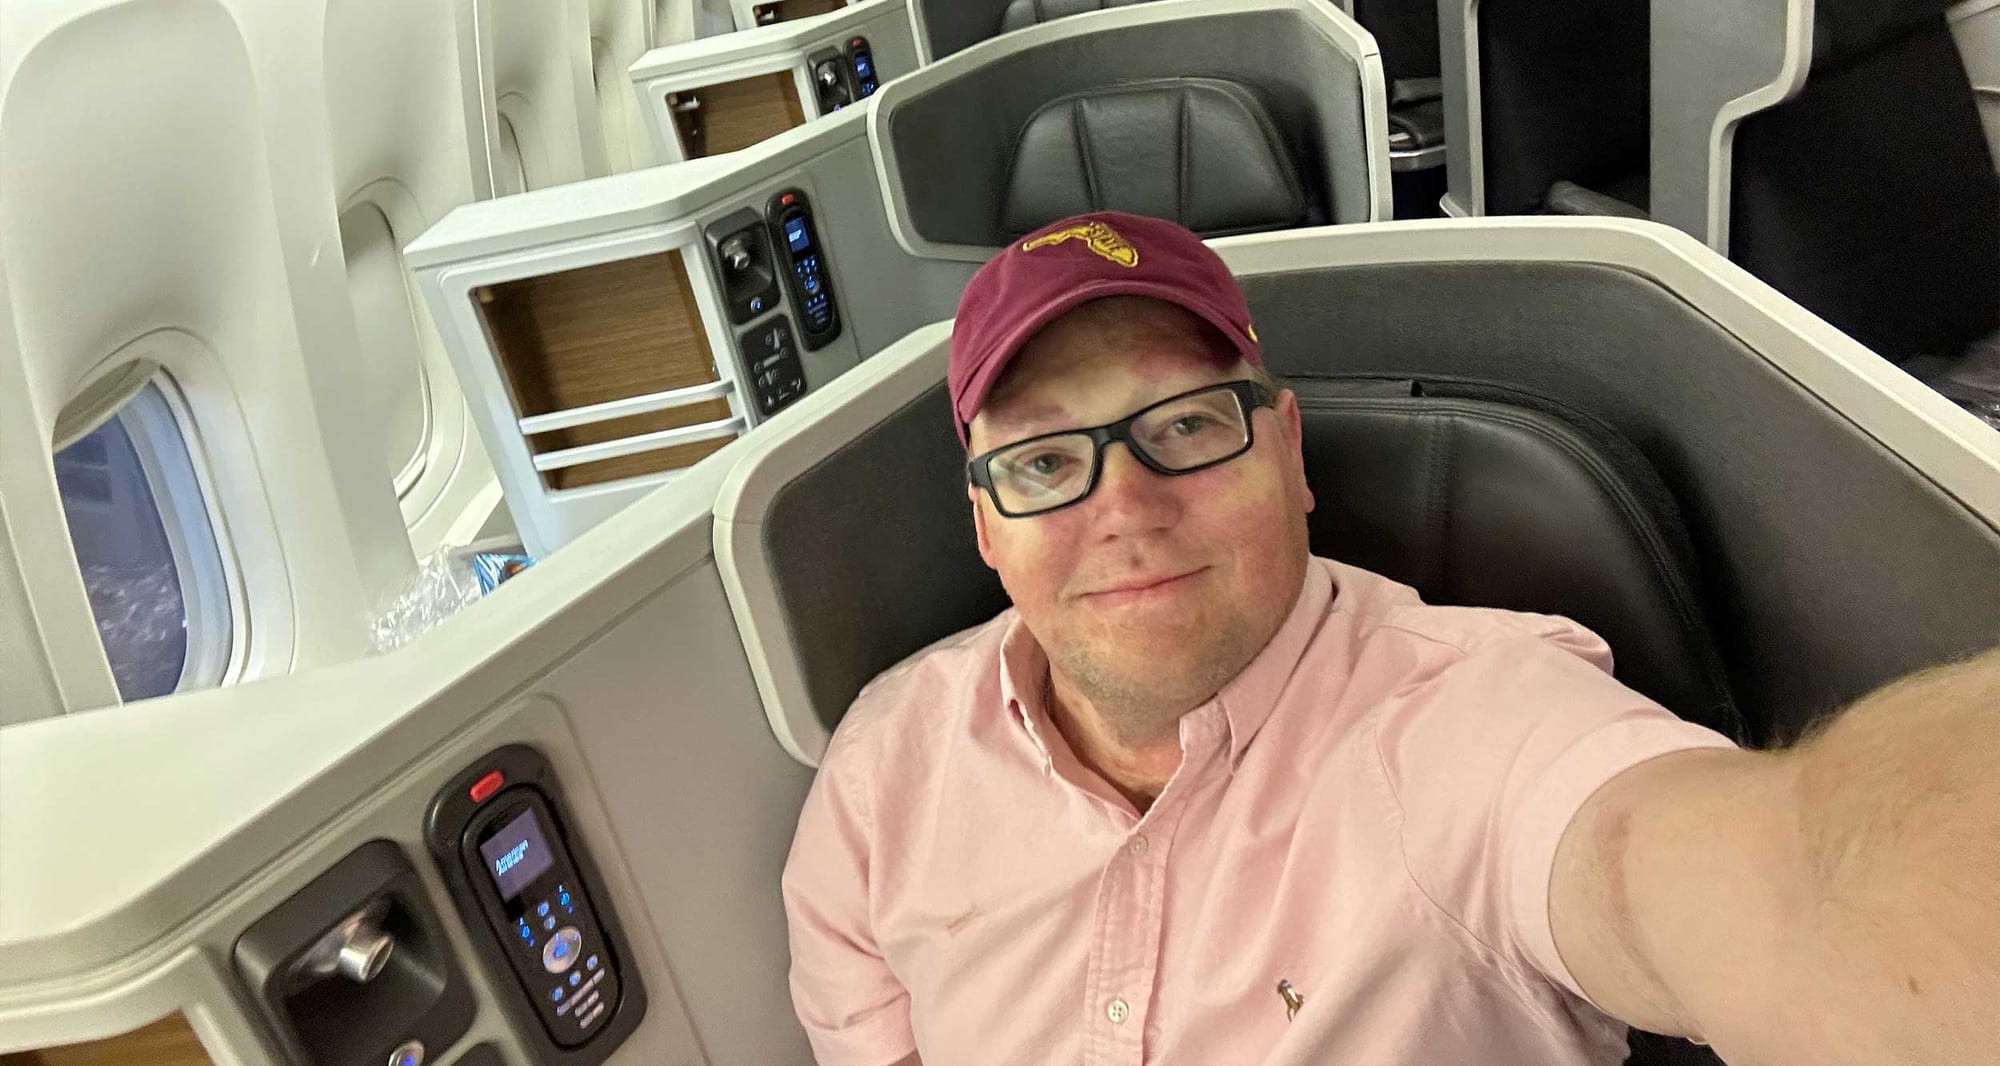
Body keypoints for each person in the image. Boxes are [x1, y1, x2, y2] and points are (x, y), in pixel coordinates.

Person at [781, 211, 2000, 1066]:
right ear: (986, 526)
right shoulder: (883, 773)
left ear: (1287, 449)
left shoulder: (1468, 723)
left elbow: (1780, 881)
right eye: (1044, 460)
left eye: (1188, 425)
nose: (1125, 507)